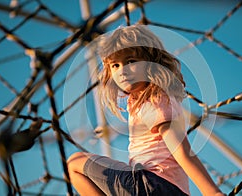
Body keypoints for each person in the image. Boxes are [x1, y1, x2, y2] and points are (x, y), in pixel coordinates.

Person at [67, 24, 225, 196]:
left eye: (131, 61)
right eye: (115, 65)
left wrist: (211, 191)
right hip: (168, 189)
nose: (123, 71)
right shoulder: (143, 100)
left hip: (153, 184)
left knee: (74, 163)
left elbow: (180, 148)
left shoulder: (154, 100)